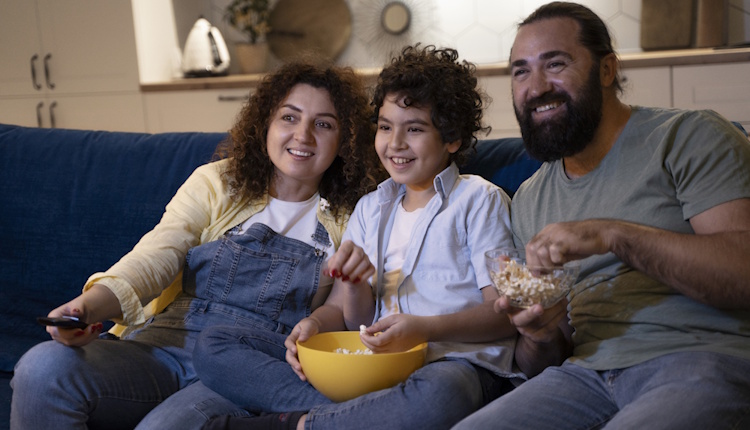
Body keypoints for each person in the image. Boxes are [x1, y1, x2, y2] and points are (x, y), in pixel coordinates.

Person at [10, 59, 385, 430]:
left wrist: (320, 320)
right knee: (42, 367)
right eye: (289, 117)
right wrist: (85, 308)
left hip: (244, 366)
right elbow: (156, 256)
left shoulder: (356, 214)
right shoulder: (217, 182)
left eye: (323, 124)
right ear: (266, 123)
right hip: (160, 346)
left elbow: (346, 312)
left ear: (346, 140)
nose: (303, 135)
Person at [192, 45, 532, 430]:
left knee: (442, 395)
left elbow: (504, 316)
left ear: (452, 139)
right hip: (373, 365)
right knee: (215, 344)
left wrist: (424, 328)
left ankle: (300, 424)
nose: (395, 143)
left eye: (415, 129)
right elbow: (347, 316)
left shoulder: (478, 200)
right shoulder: (371, 208)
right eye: (385, 127)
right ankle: (366, 416)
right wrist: (317, 325)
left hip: (452, 365)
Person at [454, 2, 750, 429]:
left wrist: (615, 235)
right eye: (520, 71)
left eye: (555, 64)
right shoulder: (530, 199)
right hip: (583, 377)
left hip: (702, 358)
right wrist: (540, 335)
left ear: (607, 69)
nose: (535, 87)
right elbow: (546, 358)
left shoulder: (688, 137)